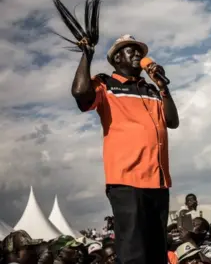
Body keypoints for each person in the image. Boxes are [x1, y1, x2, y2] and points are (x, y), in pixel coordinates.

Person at [71, 34, 179, 264]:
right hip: (128, 182)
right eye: (131, 50)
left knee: (156, 254)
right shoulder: (106, 84)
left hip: (158, 182)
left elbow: (172, 121)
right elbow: (81, 93)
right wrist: (86, 56)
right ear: (117, 58)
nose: (138, 54)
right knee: (134, 255)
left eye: (139, 50)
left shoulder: (151, 90)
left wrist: (162, 87)